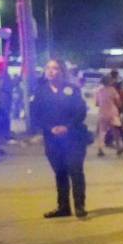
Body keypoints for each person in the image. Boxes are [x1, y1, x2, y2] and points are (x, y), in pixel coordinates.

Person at [32, 59, 91, 218]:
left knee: (75, 171)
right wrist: (50, 128)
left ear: (62, 71)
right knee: (60, 172)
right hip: (52, 139)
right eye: (49, 68)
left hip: (73, 138)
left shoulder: (71, 89)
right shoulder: (41, 91)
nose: (52, 71)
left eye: (56, 68)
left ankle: (79, 206)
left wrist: (67, 127)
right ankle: (63, 207)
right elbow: (36, 115)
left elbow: (81, 112)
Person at [94, 72, 123, 157]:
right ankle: (119, 148)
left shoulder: (99, 91)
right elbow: (118, 102)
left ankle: (100, 149)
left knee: (102, 131)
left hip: (102, 113)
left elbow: (96, 103)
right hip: (112, 113)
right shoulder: (112, 90)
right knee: (116, 131)